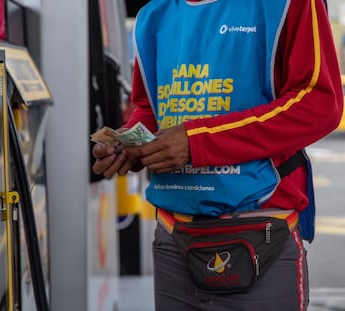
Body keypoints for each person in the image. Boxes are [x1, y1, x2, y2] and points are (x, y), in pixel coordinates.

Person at [92, 0, 343, 310]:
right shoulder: (153, 14)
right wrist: (132, 141)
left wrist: (196, 141)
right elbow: (150, 106)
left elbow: (319, 103)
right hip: (172, 236)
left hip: (259, 235)